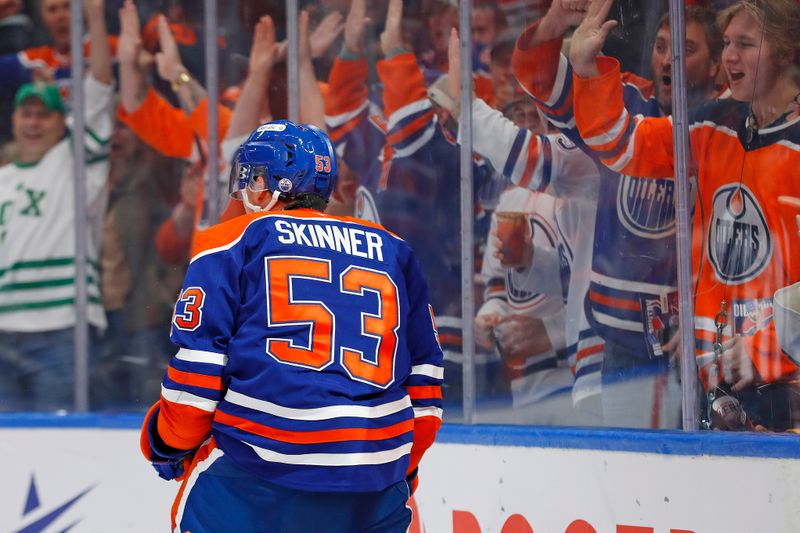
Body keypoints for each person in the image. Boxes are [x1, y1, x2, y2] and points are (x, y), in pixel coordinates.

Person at [139, 120, 444, 532]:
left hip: (262, 478)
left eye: (253, 179)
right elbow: (425, 388)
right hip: (374, 483)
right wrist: (393, 468)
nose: (247, 191)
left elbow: (195, 384)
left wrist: (166, 443)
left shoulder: (230, 242)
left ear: (272, 185)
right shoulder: (395, 251)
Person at [570, 0, 800, 431]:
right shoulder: (713, 124)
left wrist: (765, 349)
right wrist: (587, 70)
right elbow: (620, 144)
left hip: (787, 393)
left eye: (746, 44)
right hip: (709, 385)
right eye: (728, 43)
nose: (729, 56)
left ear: (787, 52)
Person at [510, 0, 723, 428]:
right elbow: (543, 83)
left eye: (686, 49)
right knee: (633, 475)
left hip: (700, 338)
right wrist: (555, 25)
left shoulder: (725, 125)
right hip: (623, 336)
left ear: (717, 64)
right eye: (661, 46)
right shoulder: (623, 96)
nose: (669, 59)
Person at [0, 0, 113, 412]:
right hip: (3, 334)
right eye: (25, 113)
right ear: (13, 120)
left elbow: (99, 89)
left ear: (60, 122)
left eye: (43, 115)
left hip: (61, 331)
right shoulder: (3, 179)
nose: (32, 122)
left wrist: (96, 18)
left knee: (62, 444)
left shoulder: (75, 165)